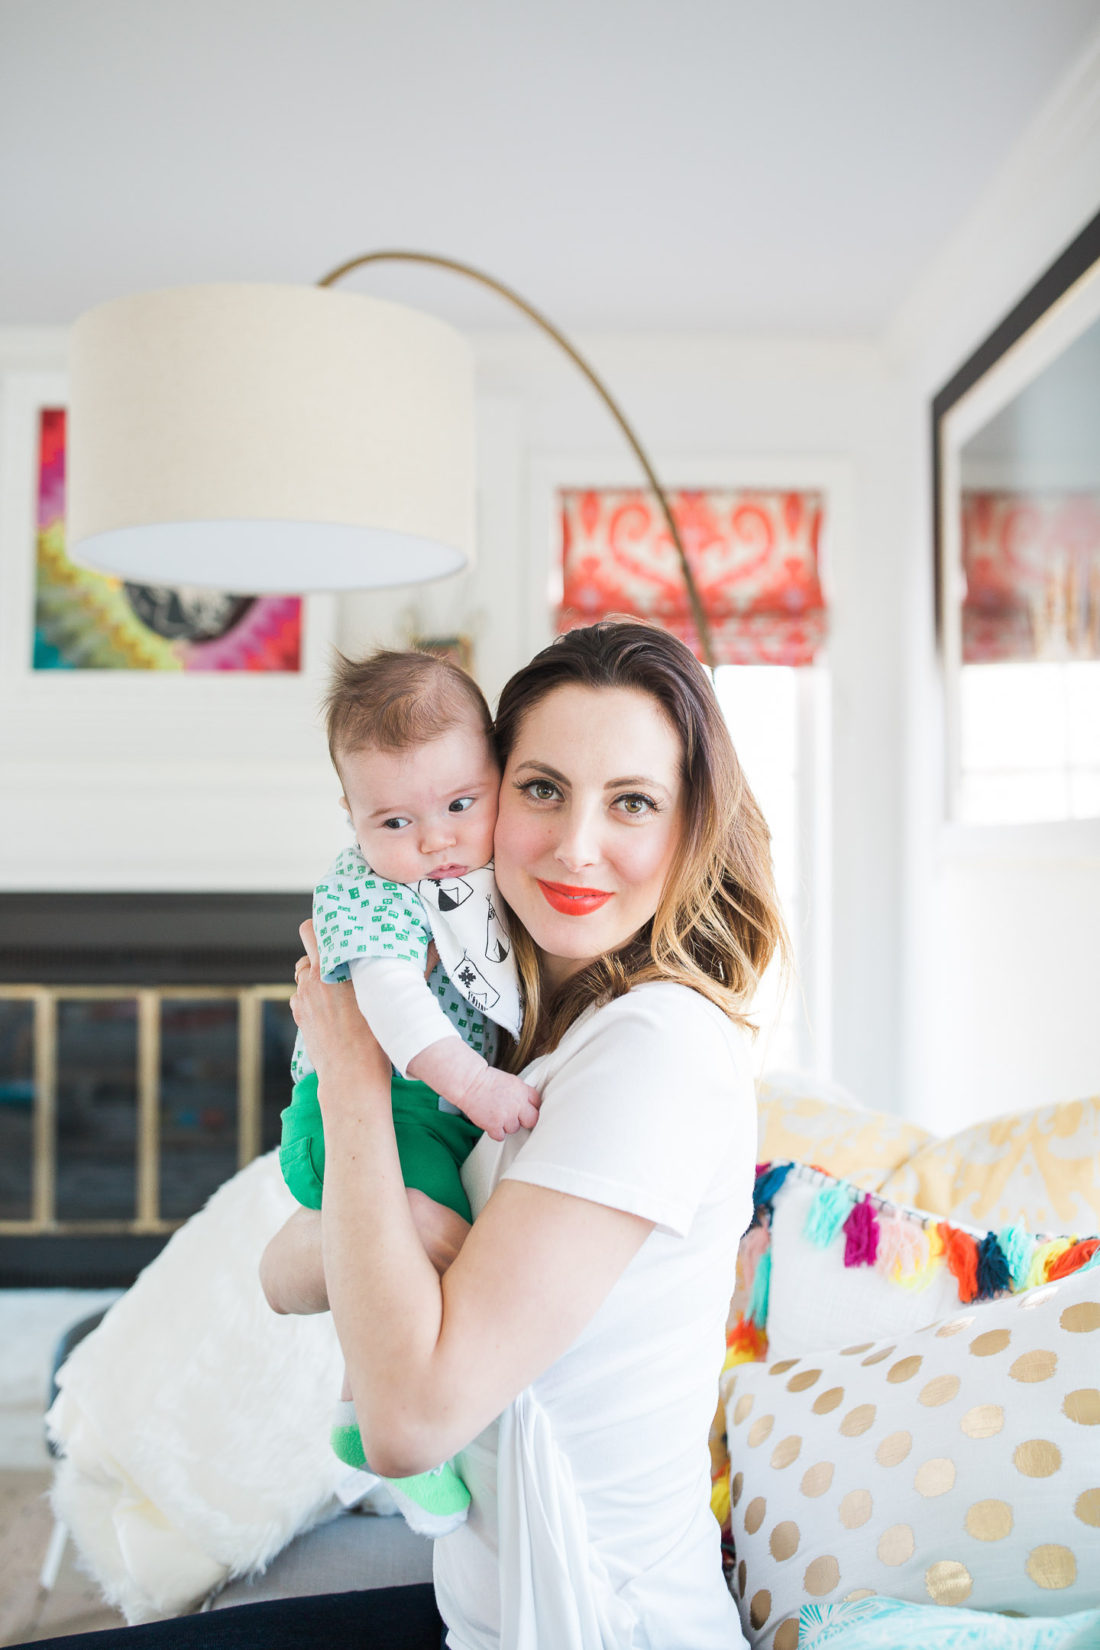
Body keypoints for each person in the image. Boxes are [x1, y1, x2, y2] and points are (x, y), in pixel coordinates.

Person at [19, 619, 785, 1650]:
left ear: (691, 826)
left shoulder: (653, 1049)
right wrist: (379, 1228)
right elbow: (284, 1274)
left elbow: (405, 1421)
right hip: (481, 1619)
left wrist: (349, 1077)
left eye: (632, 802)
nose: (574, 845)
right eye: (542, 788)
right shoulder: (532, 1037)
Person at [280, 647, 540, 1534]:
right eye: (393, 820)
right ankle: (386, 1427)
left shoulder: (486, 877)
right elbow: (388, 1003)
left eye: (460, 805)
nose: (431, 840)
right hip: (374, 1104)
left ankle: (372, 1420)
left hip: (423, 1106)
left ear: (497, 778)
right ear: (351, 817)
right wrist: (473, 1083)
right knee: (411, 1241)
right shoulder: (368, 890)